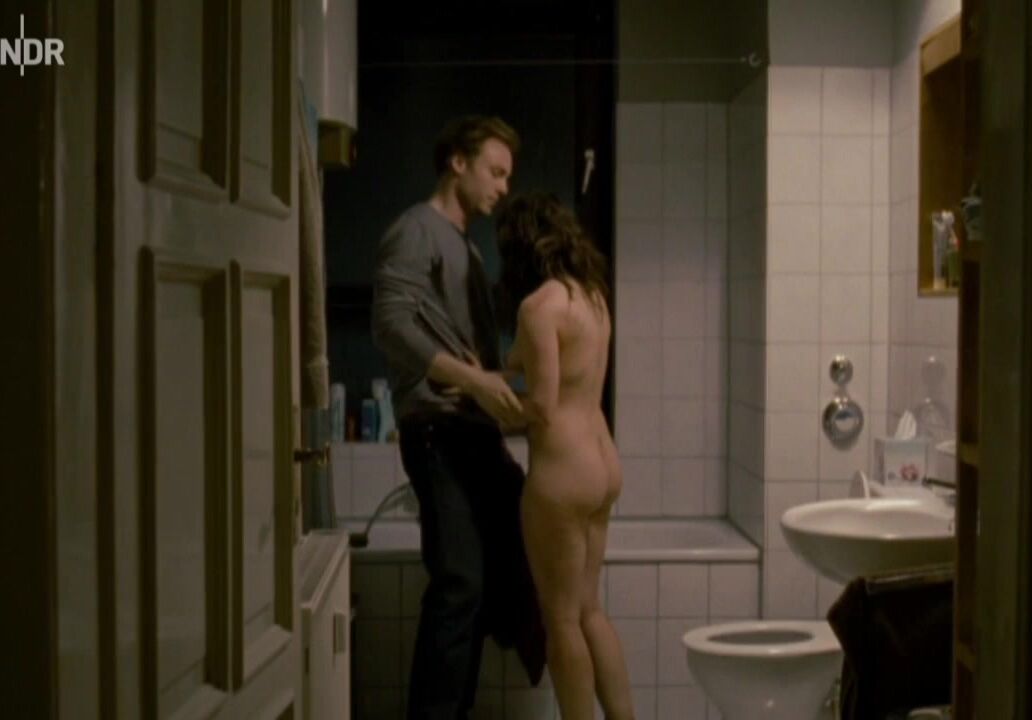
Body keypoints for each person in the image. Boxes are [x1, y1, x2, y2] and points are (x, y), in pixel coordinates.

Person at [371, 115, 544, 720]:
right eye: (496, 172)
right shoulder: (416, 230)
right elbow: (391, 325)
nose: (503, 187)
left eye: (507, 176)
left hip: (471, 432)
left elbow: (478, 358)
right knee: (460, 584)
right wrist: (474, 382)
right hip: (437, 431)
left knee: (495, 578)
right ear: (458, 163)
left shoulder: (467, 248)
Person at [496, 192, 634, 720]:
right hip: (602, 462)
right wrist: (493, 371)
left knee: (561, 621)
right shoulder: (591, 297)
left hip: (563, 474)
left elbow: (542, 406)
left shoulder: (538, 307)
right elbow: (554, 366)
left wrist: (485, 408)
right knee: (589, 609)